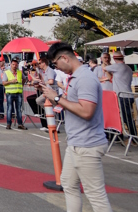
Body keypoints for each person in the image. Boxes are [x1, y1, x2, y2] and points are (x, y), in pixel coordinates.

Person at [41, 42, 113, 212]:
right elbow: (70, 105)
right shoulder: (76, 77)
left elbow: (86, 111)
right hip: (77, 143)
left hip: (86, 144)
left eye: (55, 64)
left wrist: (57, 98)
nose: (56, 68)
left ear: (64, 58)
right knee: (68, 184)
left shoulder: (85, 78)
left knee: (95, 195)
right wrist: (52, 96)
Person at [104, 52, 135, 137]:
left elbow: (104, 68)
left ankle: (133, 137)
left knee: (126, 118)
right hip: (128, 94)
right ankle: (132, 136)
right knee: (127, 117)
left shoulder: (117, 67)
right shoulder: (128, 67)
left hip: (122, 96)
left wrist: (105, 63)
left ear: (114, 58)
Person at [28, 57, 56, 127]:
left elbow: (51, 81)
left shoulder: (50, 71)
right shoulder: (42, 71)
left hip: (51, 91)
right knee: (38, 100)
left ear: (44, 63)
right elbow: (37, 80)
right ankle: (48, 112)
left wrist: (43, 83)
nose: (38, 65)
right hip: (45, 91)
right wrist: (32, 75)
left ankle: (50, 112)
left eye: (39, 63)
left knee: (39, 100)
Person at [4, 57, 25, 130]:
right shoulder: (7, 72)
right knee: (9, 109)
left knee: (18, 109)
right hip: (10, 93)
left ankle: (20, 124)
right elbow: (3, 83)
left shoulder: (19, 72)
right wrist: (11, 81)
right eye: (13, 64)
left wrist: (22, 85)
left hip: (18, 93)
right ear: (11, 65)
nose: (14, 66)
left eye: (16, 65)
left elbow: (24, 78)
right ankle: (8, 124)